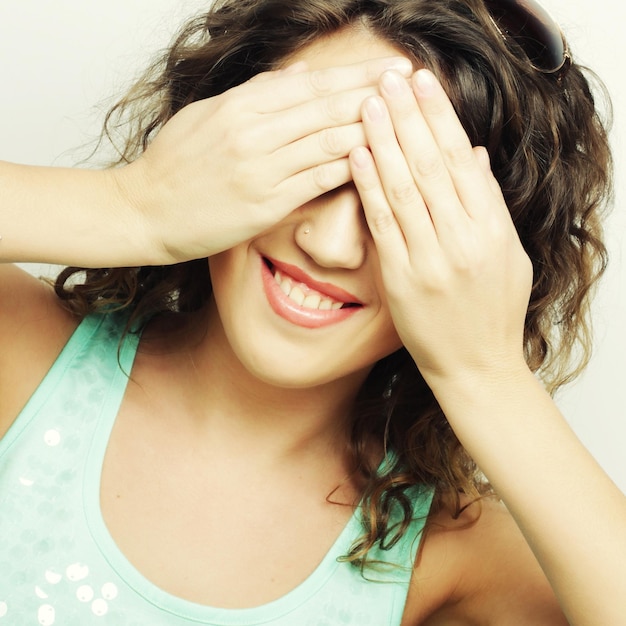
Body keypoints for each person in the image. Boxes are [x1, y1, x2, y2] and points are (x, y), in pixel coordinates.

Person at [1, 0, 624, 623]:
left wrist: (485, 372)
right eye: (310, 160)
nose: (329, 245)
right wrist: (133, 206)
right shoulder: (22, 358)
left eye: (405, 205)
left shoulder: (448, 554)